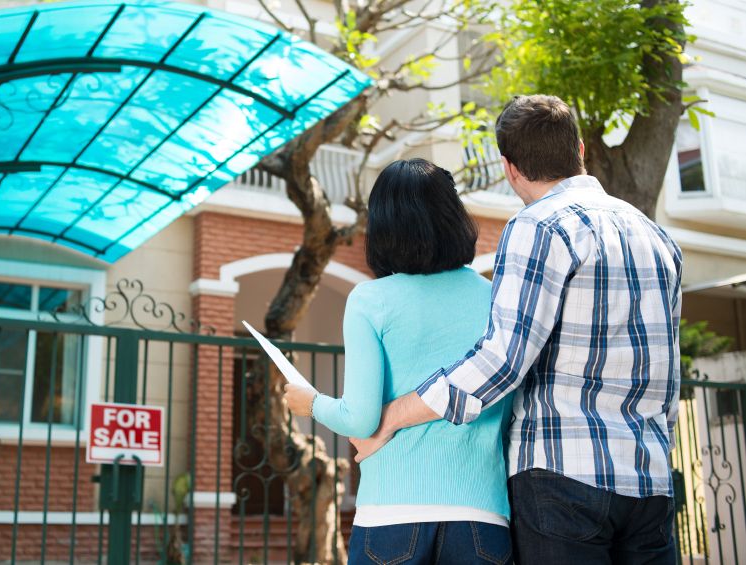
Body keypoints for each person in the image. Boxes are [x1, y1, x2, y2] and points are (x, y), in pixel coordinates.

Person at [351, 95, 683, 565]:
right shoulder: (657, 237)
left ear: (509, 167)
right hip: (650, 482)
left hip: (562, 482)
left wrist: (391, 417)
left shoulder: (538, 227)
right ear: (581, 151)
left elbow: (501, 362)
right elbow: (669, 372)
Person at [284, 158, 513, 565]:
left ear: (384, 226)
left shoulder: (371, 301)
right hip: (482, 516)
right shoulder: (496, 298)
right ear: (453, 217)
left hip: (392, 516)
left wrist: (311, 403)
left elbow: (360, 420)